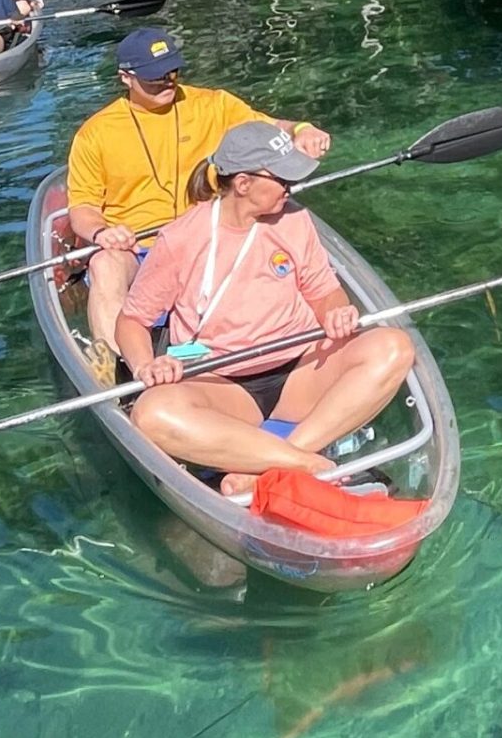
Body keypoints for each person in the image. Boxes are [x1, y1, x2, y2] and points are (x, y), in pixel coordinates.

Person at [118, 122, 413, 493]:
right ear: (243, 184)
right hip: (222, 384)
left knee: (394, 346)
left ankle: (276, 462)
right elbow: (132, 320)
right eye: (282, 179)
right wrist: (147, 365)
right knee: (151, 413)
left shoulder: (294, 218)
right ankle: (306, 463)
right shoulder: (181, 240)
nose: (291, 188)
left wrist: (335, 311)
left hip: (300, 370)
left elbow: (324, 290)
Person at [65, 27, 332, 371]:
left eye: (172, 72)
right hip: (137, 245)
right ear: (125, 78)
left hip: (203, 237)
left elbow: (267, 130)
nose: (167, 81)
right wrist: (103, 233)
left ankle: (280, 355)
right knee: (105, 262)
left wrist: (300, 129)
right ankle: (124, 370)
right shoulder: (95, 134)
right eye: (154, 77)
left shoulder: (214, 104)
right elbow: (83, 209)